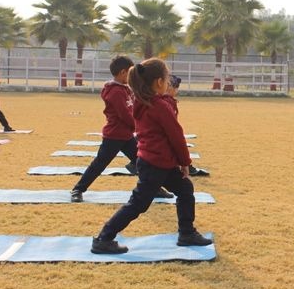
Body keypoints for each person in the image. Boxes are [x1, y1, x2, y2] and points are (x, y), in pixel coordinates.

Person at [91, 58, 212, 254]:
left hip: (156, 162)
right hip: (156, 164)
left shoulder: (144, 102)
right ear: (158, 82)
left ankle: (187, 233)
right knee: (138, 204)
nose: (168, 83)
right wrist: (185, 162)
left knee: (185, 189)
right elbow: (176, 136)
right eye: (166, 79)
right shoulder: (159, 106)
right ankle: (103, 238)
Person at [70, 56, 172, 202]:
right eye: (129, 72)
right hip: (114, 136)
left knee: (143, 161)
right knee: (99, 164)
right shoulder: (115, 92)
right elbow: (125, 115)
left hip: (127, 136)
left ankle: (155, 189)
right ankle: (78, 189)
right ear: (123, 72)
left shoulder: (125, 89)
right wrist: (141, 126)